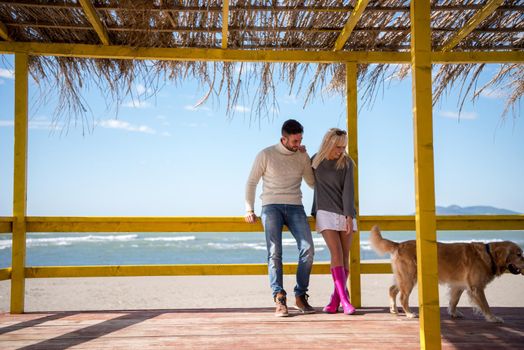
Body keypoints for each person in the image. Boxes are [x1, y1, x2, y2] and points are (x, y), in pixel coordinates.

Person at [245, 119, 316, 317]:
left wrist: (308, 158)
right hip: (271, 206)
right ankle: (279, 297)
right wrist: (249, 209)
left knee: (308, 249)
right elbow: (251, 182)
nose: (298, 144)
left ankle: (300, 296)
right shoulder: (266, 154)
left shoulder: (301, 156)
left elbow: (312, 183)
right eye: (294, 141)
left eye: (300, 139)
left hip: (295, 206)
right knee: (274, 252)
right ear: (283, 139)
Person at [311, 128, 357, 315]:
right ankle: (345, 300)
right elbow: (305, 176)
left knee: (345, 255)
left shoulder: (346, 162)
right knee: (336, 252)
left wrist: (348, 215)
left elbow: (349, 190)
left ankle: (334, 299)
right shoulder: (315, 161)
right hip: (324, 212)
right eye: (338, 146)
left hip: (344, 213)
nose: (341, 150)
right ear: (328, 142)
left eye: (343, 146)